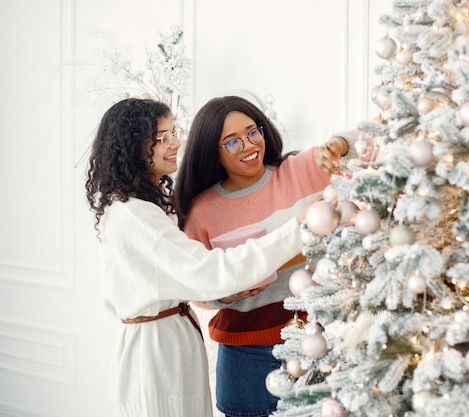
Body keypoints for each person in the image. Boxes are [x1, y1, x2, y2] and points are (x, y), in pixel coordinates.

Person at [84, 97, 306, 417]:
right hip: (157, 351)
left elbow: (175, 276)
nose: (176, 143)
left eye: (175, 132)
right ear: (132, 145)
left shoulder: (143, 208)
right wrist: (297, 228)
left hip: (170, 339)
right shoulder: (133, 214)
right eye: (163, 138)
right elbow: (208, 270)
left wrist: (223, 291)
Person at [175, 95, 355, 417]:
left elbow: (367, 146)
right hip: (246, 353)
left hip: (319, 336)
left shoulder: (302, 170)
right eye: (231, 142)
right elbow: (195, 286)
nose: (247, 145)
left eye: (252, 132)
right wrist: (226, 293)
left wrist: (340, 143)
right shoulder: (202, 211)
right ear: (211, 153)